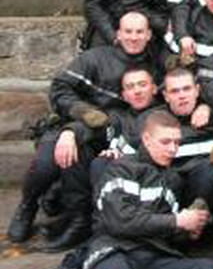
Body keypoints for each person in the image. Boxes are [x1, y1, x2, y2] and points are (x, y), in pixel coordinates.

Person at [83, 110, 213, 269]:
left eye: (177, 142)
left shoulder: (173, 180)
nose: (172, 149)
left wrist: (188, 230)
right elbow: (120, 221)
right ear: (147, 139)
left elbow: (165, 231)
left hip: (154, 256)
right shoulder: (122, 168)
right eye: (165, 142)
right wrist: (177, 221)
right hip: (113, 251)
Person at [40, 67, 161, 252]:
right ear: (124, 95)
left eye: (142, 85)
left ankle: (100, 232)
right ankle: (79, 221)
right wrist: (70, 133)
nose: (137, 91)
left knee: (101, 164)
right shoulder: (120, 115)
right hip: (112, 176)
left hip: (145, 184)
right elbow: (95, 127)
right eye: (130, 87)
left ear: (154, 88)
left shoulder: (163, 115)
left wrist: (127, 157)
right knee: (78, 150)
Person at [155, 68, 213, 215]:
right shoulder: (154, 122)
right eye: (175, 91)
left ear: (197, 90)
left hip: (209, 194)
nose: (182, 95)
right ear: (166, 96)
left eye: (187, 89)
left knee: (209, 173)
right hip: (168, 193)